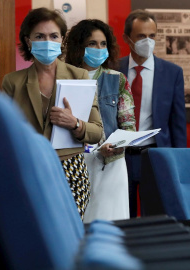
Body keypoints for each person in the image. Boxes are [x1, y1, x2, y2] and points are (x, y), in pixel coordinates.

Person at [1, 7, 103, 220]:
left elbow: (96, 133)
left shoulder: (79, 76)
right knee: (37, 235)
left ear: (61, 40)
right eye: (40, 36)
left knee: (67, 233)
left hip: (71, 169)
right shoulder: (13, 82)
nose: (47, 41)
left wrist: (74, 123)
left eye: (53, 36)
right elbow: (3, 135)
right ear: (28, 42)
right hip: (29, 169)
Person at [63, 19, 136, 222]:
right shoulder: (64, 78)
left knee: (112, 226)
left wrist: (116, 145)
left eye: (103, 44)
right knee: (78, 225)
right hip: (75, 163)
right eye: (92, 43)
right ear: (79, 46)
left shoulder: (118, 79)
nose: (99, 48)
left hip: (111, 164)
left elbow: (128, 124)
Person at [119, 9, 187, 218]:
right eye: (141, 36)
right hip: (120, 156)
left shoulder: (172, 73)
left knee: (156, 216)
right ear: (127, 39)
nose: (147, 41)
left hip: (156, 155)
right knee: (123, 216)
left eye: (152, 36)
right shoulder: (114, 69)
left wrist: (180, 162)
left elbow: (177, 122)